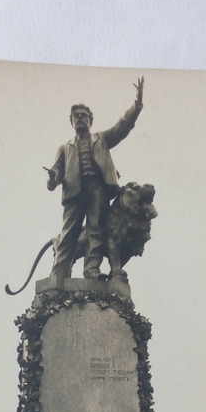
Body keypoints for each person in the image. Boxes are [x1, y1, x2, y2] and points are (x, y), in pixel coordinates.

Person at [45, 76, 144, 283]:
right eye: (76, 116)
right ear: (71, 122)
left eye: (84, 115)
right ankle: (59, 274)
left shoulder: (102, 139)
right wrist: (53, 177)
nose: (80, 118)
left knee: (95, 229)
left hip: (97, 189)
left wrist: (136, 106)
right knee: (69, 233)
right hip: (73, 192)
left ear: (90, 120)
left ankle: (91, 271)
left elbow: (122, 127)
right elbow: (55, 174)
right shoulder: (64, 148)